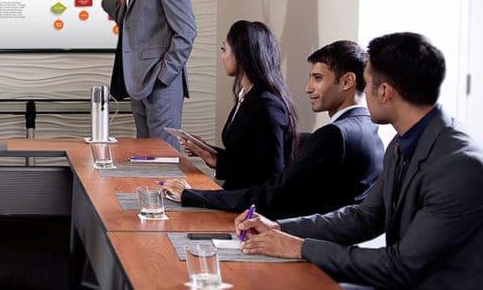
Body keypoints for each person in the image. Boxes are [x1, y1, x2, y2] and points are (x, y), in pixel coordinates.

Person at [236, 32, 483, 289]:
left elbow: (401, 266)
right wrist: (278, 227)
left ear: (384, 91)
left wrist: (300, 247)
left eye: (366, 82)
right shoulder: (402, 141)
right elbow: (364, 217)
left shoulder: (459, 165)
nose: (363, 92)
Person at [161, 40, 383, 218]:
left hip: (299, 241)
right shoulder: (368, 128)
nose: (308, 88)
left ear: (347, 81)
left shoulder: (333, 135)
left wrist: (192, 195)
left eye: (317, 78)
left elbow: (274, 196)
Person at [91, 0, 196, 147]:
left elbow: (187, 31)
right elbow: (130, 23)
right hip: (140, 84)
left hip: (159, 84)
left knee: (164, 155)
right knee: (146, 154)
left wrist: (164, 76)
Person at [181, 20, 299, 190]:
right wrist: (208, 152)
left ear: (241, 54)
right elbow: (245, 157)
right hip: (236, 193)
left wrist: (216, 161)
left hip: (248, 202)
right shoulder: (247, 96)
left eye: (224, 49)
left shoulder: (267, 106)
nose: (222, 56)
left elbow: (269, 176)